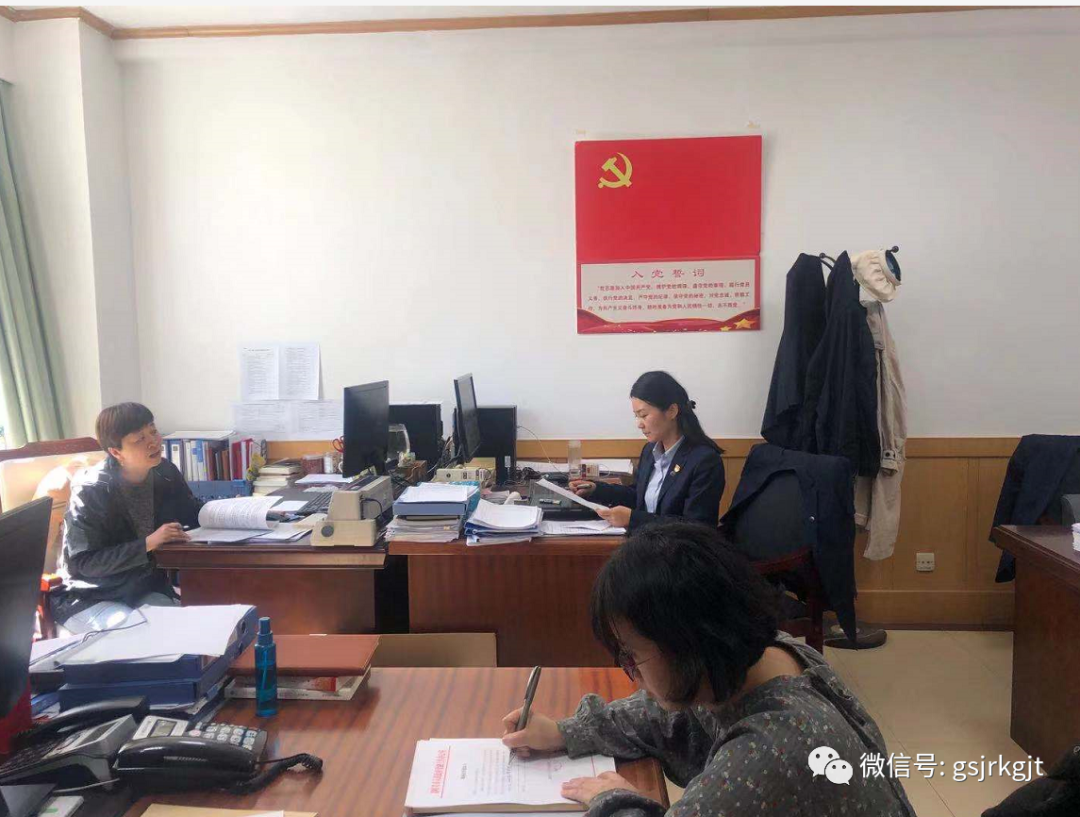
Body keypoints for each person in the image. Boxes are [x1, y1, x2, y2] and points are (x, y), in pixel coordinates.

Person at [500, 521, 916, 817]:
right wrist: (564, 732)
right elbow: (671, 716)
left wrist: (613, 800)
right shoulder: (771, 656)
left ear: (687, 647)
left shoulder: (769, 753)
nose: (631, 674)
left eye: (630, 655)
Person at [55, 403, 200, 634]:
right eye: (139, 439)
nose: (153, 442)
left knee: (181, 629)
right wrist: (148, 543)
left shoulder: (165, 472)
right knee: (140, 635)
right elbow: (84, 564)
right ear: (116, 452)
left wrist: (232, 512)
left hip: (141, 588)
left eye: (153, 431)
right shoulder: (90, 489)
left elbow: (191, 513)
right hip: (90, 595)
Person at [570, 372, 724, 530]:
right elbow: (639, 496)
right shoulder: (650, 450)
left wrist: (633, 519)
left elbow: (696, 527)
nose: (639, 424)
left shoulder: (705, 461)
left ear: (672, 411)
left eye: (644, 415)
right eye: (636, 416)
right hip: (644, 540)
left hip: (677, 545)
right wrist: (596, 490)